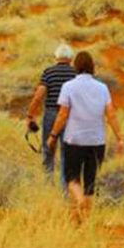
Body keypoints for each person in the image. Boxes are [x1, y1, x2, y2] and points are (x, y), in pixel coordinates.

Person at [46, 51, 124, 218]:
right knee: (90, 182)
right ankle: (84, 219)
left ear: (76, 67)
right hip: (97, 141)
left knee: (72, 179)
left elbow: (62, 115)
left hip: (74, 139)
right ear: (92, 67)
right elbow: (111, 114)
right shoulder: (102, 88)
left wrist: (53, 135)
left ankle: (79, 200)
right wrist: (119, 138)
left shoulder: (69, 86)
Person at [26, 44, 77, 186]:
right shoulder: (76, 73)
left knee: (48, 149)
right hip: (69, 115)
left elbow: (38, 96)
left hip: (51, 113)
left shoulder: (49, 72)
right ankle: (65, 189)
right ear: (71, 58)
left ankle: (47, 184)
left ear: (56, 57)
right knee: (66, 152)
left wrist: (30, 114)